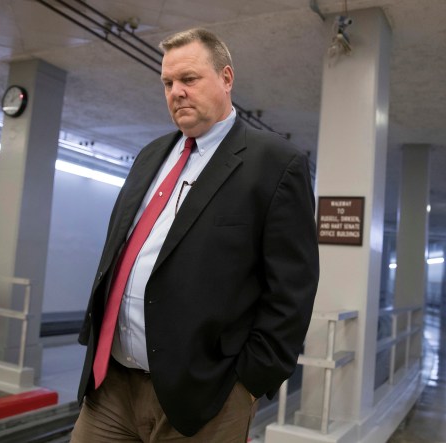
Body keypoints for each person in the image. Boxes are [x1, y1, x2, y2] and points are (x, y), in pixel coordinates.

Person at [71, 27, 319, 442]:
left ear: (226, 78)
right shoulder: (151, 156)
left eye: (189, 79)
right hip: (110, 387)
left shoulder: (275, 164)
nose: (176, 92)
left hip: (204, 395)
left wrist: (248, 383)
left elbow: (291, 291)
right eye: (168, 83)